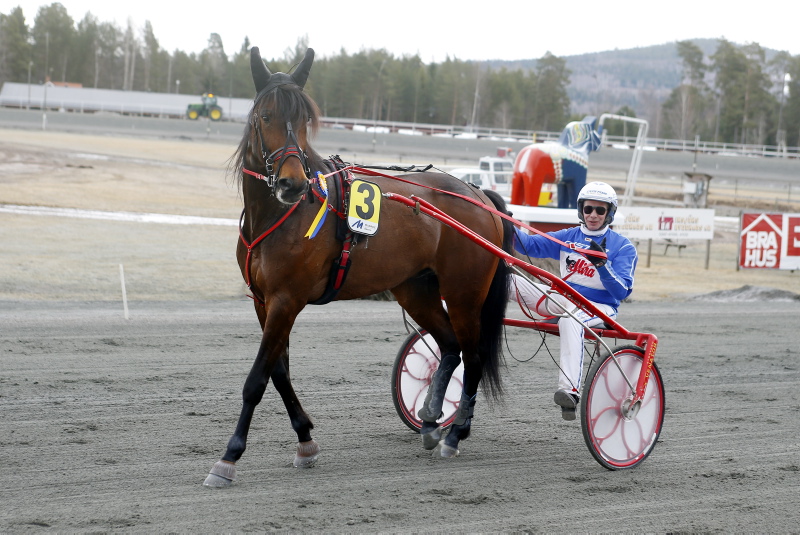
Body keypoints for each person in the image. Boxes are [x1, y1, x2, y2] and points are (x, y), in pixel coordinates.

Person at [510, 181, 638, 420]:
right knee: (506, 281)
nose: (593, 215)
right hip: (565, 300)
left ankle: (569, 391)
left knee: (570, 321)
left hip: (600, 308)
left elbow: (621, 292)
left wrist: (601, 264)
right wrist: (507, 225)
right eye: (588, 209)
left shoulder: (623, 247)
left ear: (610, 213)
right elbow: (528, 245)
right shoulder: (568, 235)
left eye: (600, 210)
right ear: (581, 209)